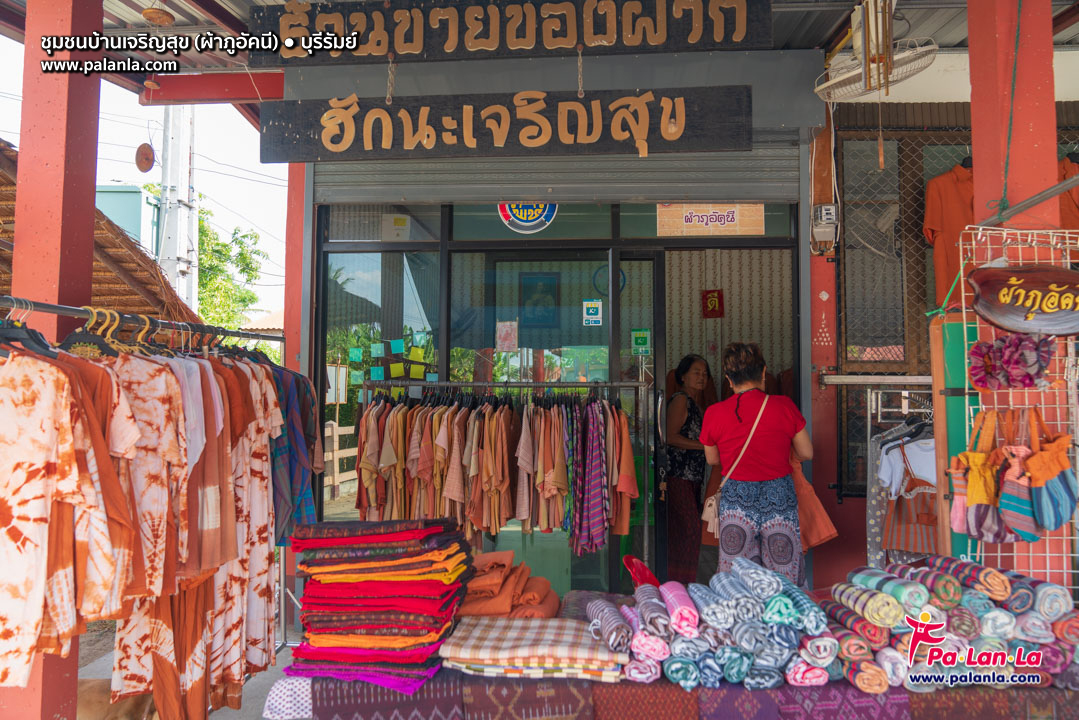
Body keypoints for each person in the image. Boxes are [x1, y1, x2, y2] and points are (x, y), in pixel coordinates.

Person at [700, 342, 813, 585]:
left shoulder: (714, 413)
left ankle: (741, 617)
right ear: (763, 373)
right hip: (779, 493)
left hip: (736, 496)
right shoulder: (784, 406)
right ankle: (783, 616)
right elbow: (807, 452)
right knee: (783, 565)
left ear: (729, 379)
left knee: (736, 570)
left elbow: (712, 459)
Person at [665, 354, 712, 584]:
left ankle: (684, 582)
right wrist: (703, 447)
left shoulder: (697, 405)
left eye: (704, 373)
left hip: (694, 478)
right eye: (696, 372)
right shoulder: (681, 400)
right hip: (678, 476)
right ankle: (679, 583)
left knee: (686, 532)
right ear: (683, 376)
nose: (701, 377)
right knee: (690, 530)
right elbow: (670, 437)